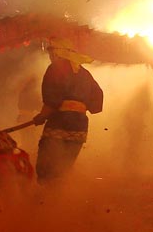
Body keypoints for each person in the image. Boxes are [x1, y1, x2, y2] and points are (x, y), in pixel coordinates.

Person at [32, 37, 103, 183]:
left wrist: (42, 116)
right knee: (63, 168)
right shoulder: (85, 73)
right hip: (80, 126)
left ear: (60, 52)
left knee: (46, 168)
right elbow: (97, 98)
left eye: (53, 52)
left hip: (60, 122)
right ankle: (58, 200)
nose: (51, 56)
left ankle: (44, 201)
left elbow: (52, 98)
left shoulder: (56, 68)